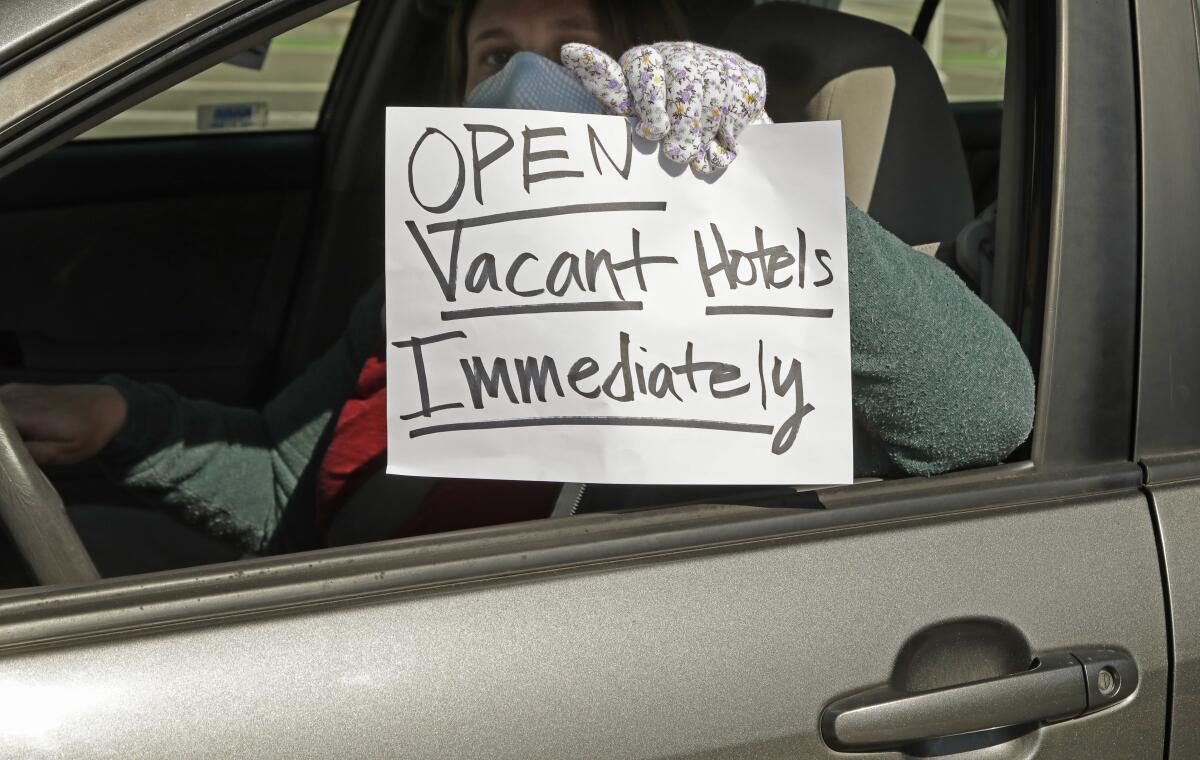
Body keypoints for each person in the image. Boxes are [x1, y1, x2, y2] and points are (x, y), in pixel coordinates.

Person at [0, 0, 1035, 558]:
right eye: (494, 53)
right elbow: (293, 484)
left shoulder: (723, 301)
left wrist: (753, 174)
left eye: (575, 49)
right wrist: (120, 424)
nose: (531, 83)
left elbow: (985, 412)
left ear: (640, 70)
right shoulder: (419, 292)